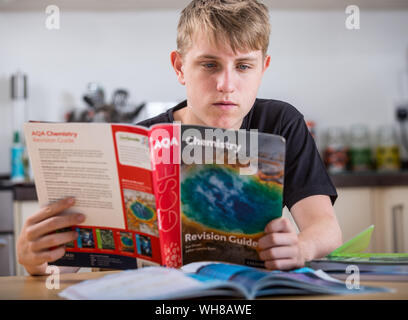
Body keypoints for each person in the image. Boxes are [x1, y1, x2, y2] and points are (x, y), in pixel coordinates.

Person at [17, 0, 342, 276]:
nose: (226, 84)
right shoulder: (139, 141)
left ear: (263, 68)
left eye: (243, 66)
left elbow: (325, 228)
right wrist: (36, 260)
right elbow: (63, 265)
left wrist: (301, 246)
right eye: (209, 65)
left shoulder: (281, 123)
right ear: (180, 67)